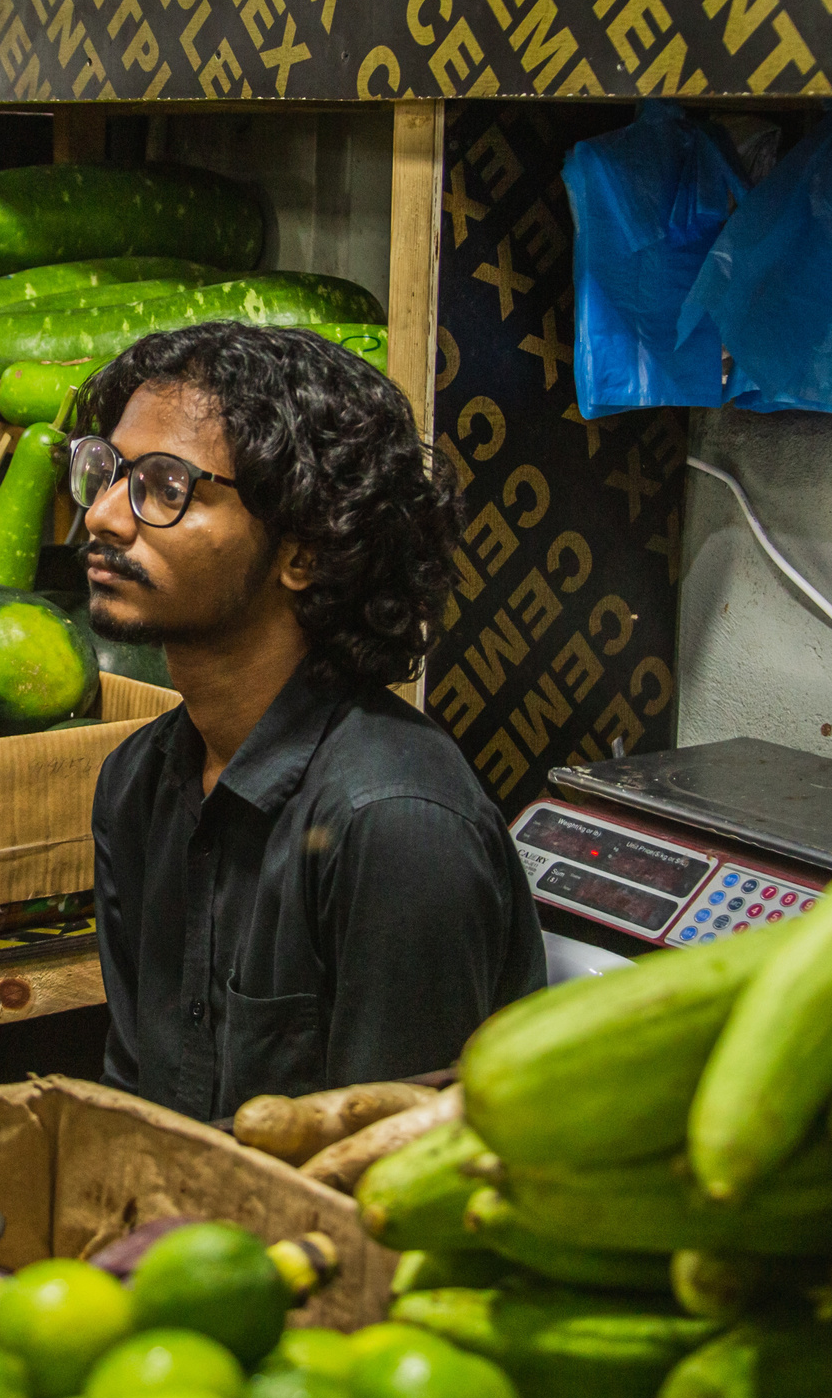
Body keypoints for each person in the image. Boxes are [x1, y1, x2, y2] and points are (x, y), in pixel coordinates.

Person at [74, 321, 546, 1122]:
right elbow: (135, 1108)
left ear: (304, 552)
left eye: (163, 486)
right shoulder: (139, 782)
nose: (103, 517)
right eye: (106, 473)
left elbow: (391, 1173)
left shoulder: (394, 824)